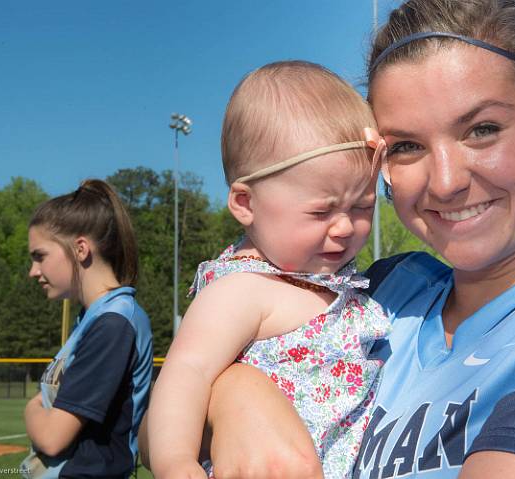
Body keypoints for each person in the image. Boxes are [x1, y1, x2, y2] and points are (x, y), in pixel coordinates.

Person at [199, 1, 515, 478]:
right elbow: (219, 331)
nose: (446, 181)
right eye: (407, 146)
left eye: (482, 129)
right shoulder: (377, 295)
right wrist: (237, 389)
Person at [145, 61, 390, 479]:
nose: (346, 226)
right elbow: (187, 371)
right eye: (321, 211)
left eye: (363, 206)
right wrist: (175, 461)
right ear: (245, 204)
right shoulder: (243, 289)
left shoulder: (328, 280)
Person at [23, 179, 153, 479]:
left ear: (80, 249)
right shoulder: (94, 318)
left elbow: (53, 438)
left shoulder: (114, 322)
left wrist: (31, 410)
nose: (33, 271)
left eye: (39, 256)